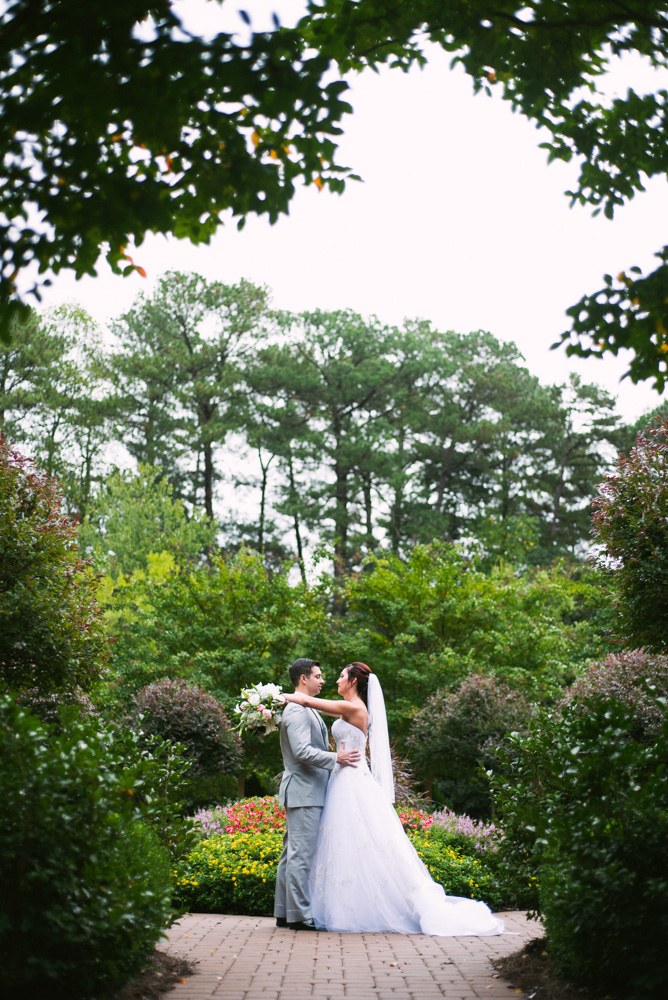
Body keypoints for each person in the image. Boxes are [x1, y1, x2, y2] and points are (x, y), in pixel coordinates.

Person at [283, 662, 504, 936]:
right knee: (345, 842)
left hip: (352, 780)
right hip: (341, 779)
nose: (335, 680)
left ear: (353, 682)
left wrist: (272, 698)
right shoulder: (351, 708)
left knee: (363, 840)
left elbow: (306, 700)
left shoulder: (355, 708)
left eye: (341, 676)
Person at [274, 657, 361, 931]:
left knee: (291, 854)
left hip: (304, 790)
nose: (323, 680)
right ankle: (299, 916)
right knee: (300, 855)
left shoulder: (304, 707)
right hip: (304, 791)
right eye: (318, 676)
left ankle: (283, 911)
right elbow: (301, 752)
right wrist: (336, 757)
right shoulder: (298, 710)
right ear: (304, 679)